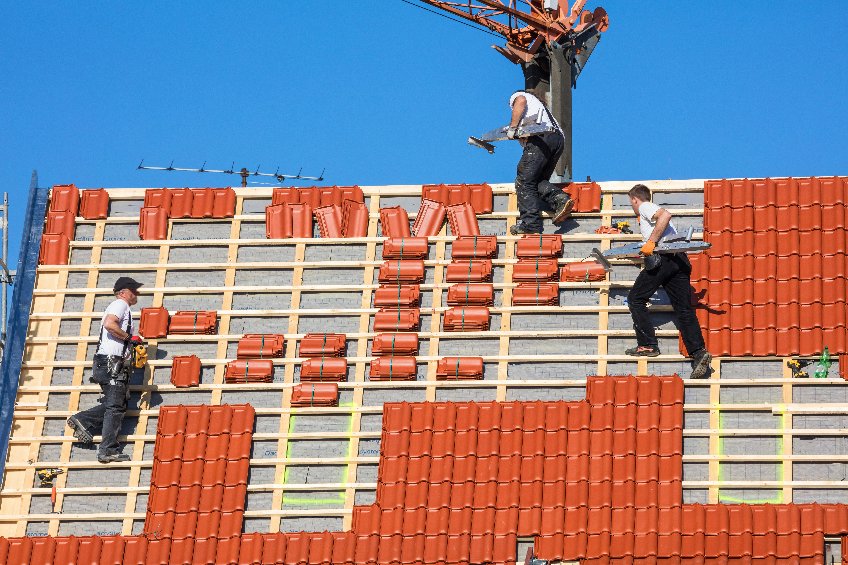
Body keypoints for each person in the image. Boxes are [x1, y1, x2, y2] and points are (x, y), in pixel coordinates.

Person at [625, 184, 712, 379]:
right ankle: (699, 353)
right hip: (679, 260)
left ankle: (647, 345)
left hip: (663, 258)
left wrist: (651, 243)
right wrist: (638, 250)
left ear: (634, 200)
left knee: (635, 299)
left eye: (631, 204)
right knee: (683, 309)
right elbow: (652, 241)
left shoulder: (645, 206)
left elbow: (665, 215)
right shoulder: (655, 228)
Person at [67, 276, 143, 463]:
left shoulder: (122, 307)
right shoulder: (120, 304)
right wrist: (129, 338)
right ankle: (107, 450)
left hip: (109, 363)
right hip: (110, 363)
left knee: (117, 405)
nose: (137, 294)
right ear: (124, 292)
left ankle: (83, 420)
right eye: (134, 290)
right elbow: (110, 324)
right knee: (115, 408)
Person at [505, 90, 573, 235]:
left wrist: (512, 128)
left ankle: (530, 224)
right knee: (536, 181)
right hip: (557, 141)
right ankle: (560, 199)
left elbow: (521, 101)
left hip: (541, 138)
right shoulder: (541, 112)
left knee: (523, 180)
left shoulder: (520, 97)